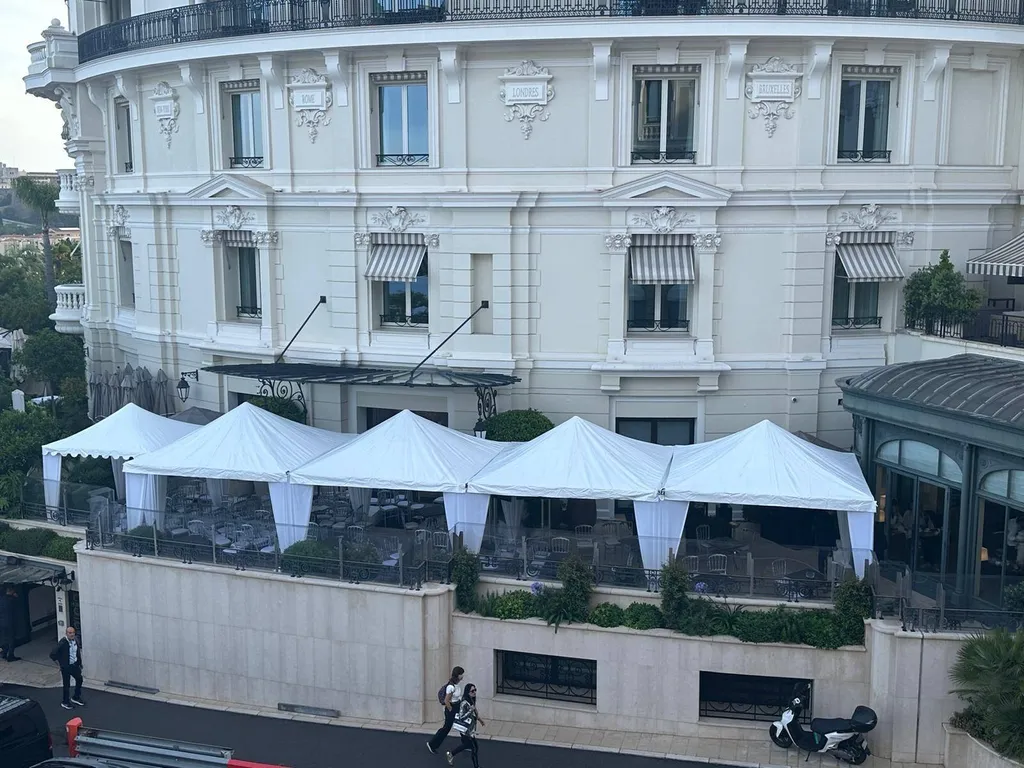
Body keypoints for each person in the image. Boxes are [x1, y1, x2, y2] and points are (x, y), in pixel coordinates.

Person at [427, 666, 464, 754]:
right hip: (452, 708)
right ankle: (432, 744)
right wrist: (451, 710)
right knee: (446, 728)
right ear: (458, 675)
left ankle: (466, 743)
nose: (463, 676)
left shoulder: (456, 684)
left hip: (457, 706)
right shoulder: (451, 687)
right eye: (461, 674)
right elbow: (447, 701)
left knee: (462, 724)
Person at [446, 682, 484, 767]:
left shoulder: (471, 700)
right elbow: (461, 717)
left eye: (475, 690)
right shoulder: (464, 703)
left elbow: (474, 712)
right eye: (472, 691)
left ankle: (451, 754)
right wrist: (470, 710)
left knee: (467, 745)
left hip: (470, 729)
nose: (474, 692)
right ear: (467, 692)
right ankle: (476, 766)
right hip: (466, 730)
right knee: (474, 748)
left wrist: (480, 719)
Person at [50, 626, 85, 710]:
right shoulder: (62, 643)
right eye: (70, 633)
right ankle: (65, 702)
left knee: (79, 679)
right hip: (66, 667)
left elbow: (77, 652)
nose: (72, 634)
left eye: (73, 632)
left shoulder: (76, 640)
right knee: (66, 685)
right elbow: (52, 654)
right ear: (66, 633)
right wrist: (60, 664)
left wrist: (79, 663)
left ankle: (76, 697)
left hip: (74, 665)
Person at [0, 586, 19, 662]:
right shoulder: (11, 600)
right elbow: (17, 606)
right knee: (11, 639)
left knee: (5, 638)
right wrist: (16, 597)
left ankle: (4, 653)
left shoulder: (1, 599)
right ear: (11, 591)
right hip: (10, 622)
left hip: (2, 622)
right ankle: (10, 655)